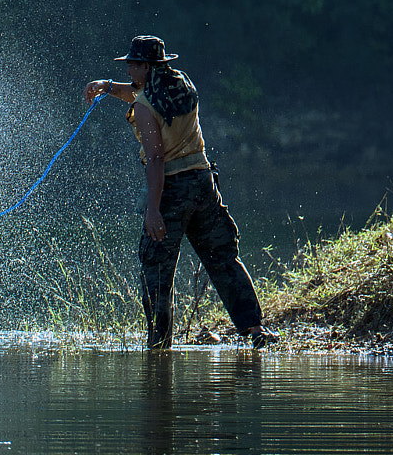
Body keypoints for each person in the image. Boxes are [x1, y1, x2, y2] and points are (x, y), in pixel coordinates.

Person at [83, 36, 276, 349]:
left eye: (133, 63)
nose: (129, 67)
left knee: (156, 270)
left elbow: (156, 159)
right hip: (203, 183)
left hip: (172, 188)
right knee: (223, 258)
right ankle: (256, 329)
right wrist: (107, 86)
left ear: (147, 67)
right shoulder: (182, 86)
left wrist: (153, 210)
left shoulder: (144, 108)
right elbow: (139, 90)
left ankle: (159, 347)